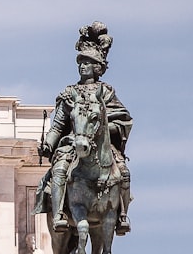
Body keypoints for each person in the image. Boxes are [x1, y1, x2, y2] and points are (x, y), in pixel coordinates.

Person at [35, 21, 132, 234]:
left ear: (97, 67)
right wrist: (48, 144)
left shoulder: (107, 93)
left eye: (87, 62)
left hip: (100, 145)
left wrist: (104, 130)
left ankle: (122, 215)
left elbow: (123, 120)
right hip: (72, 143)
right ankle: (59, 214)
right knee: (60, 169)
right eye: (80, 62)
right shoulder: (70, 93)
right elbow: (59, 124)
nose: (82, 66)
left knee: (123, 172)